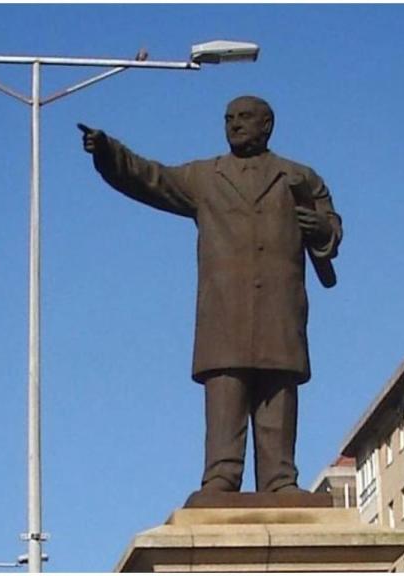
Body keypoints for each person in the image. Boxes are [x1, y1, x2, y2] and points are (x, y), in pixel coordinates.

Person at [79, 95, 342, 495]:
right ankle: (222, 474)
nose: (235, 125)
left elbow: (332, 226)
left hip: (279, 309)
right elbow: (152, 178)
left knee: (277, 395)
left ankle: (279, 478)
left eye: (245, 118)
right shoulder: (205, 177)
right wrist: (108, 152)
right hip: (224, 311)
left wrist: (320, 229)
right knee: (226, 395)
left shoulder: (299, 178)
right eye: (229, 119)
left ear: (267, 125)